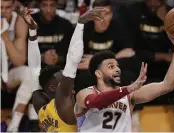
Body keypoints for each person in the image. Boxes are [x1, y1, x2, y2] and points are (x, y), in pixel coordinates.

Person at [75, 33, 174, 132]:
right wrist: (128, 89)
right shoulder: (85, 93)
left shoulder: (129, 96)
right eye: (111, 67)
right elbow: (97, 101)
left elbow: (167, 85)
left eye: (117, 66)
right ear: (98, 73)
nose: (117, 69)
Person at [26, 7, 107, 132]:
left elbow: (34, 68)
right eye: (62, 80)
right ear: (53, 88)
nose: (71, 86)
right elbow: (72, 60)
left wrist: (32, 32)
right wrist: (80, 24)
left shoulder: (41, 106)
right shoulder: (64, 106)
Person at [1, 0, 39, 132]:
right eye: (0, 7)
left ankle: (13, 127)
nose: (3, 11)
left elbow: (19, 61)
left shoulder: (19, 22)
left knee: (30, 73)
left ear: (13, 7)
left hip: (8, 72)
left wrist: (5, 38)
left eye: (7, 8)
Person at [32, 0, 74, 67]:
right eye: (44, 5)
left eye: (52, 5)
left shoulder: (66, 25)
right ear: (39, 6)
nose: (48, 10)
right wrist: (41, 58)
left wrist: (58, 58)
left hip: (59, 68)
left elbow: (72, 54)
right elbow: (22, 55)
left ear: (56, 6)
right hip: (33, 67)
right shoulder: (29, 22)